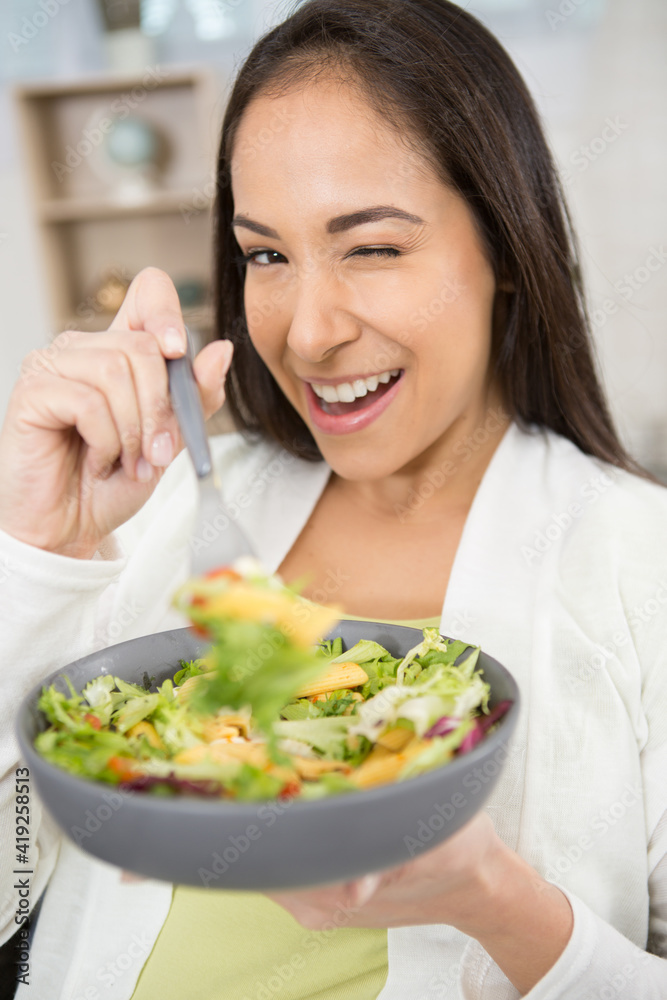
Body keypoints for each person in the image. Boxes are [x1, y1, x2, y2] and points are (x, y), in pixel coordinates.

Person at [1, 0, 666, 997]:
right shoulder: (157, 523)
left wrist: (493, 898)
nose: (307, 332)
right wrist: (33, 551)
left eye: (372, 247)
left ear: (506, 255)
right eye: (266, 254)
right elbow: (8, 889)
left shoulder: (637, 566)